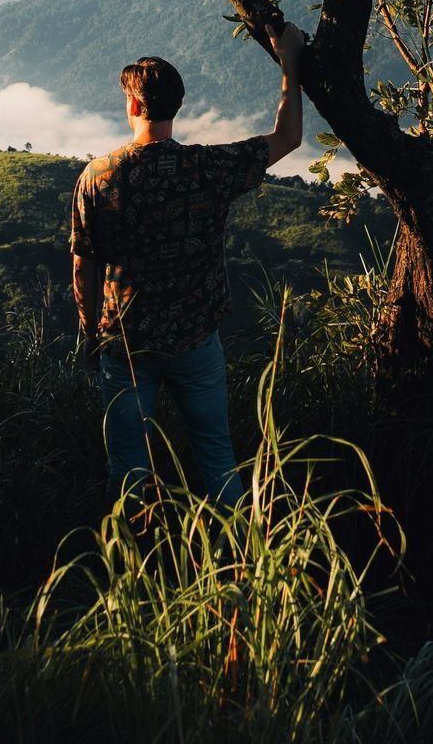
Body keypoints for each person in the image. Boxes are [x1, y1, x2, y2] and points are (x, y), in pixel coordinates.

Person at [69, 28, 306, 504]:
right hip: (195, 338)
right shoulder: (208, 168)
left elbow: (83, 268)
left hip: (126, 345)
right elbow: (289, 136)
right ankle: (242, 557)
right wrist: (289, 63)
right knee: (217, 456)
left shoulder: (98, 176)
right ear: (175, 107)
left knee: (130, 464)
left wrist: (90, 332)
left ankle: (135, 562)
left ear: (133, 106)